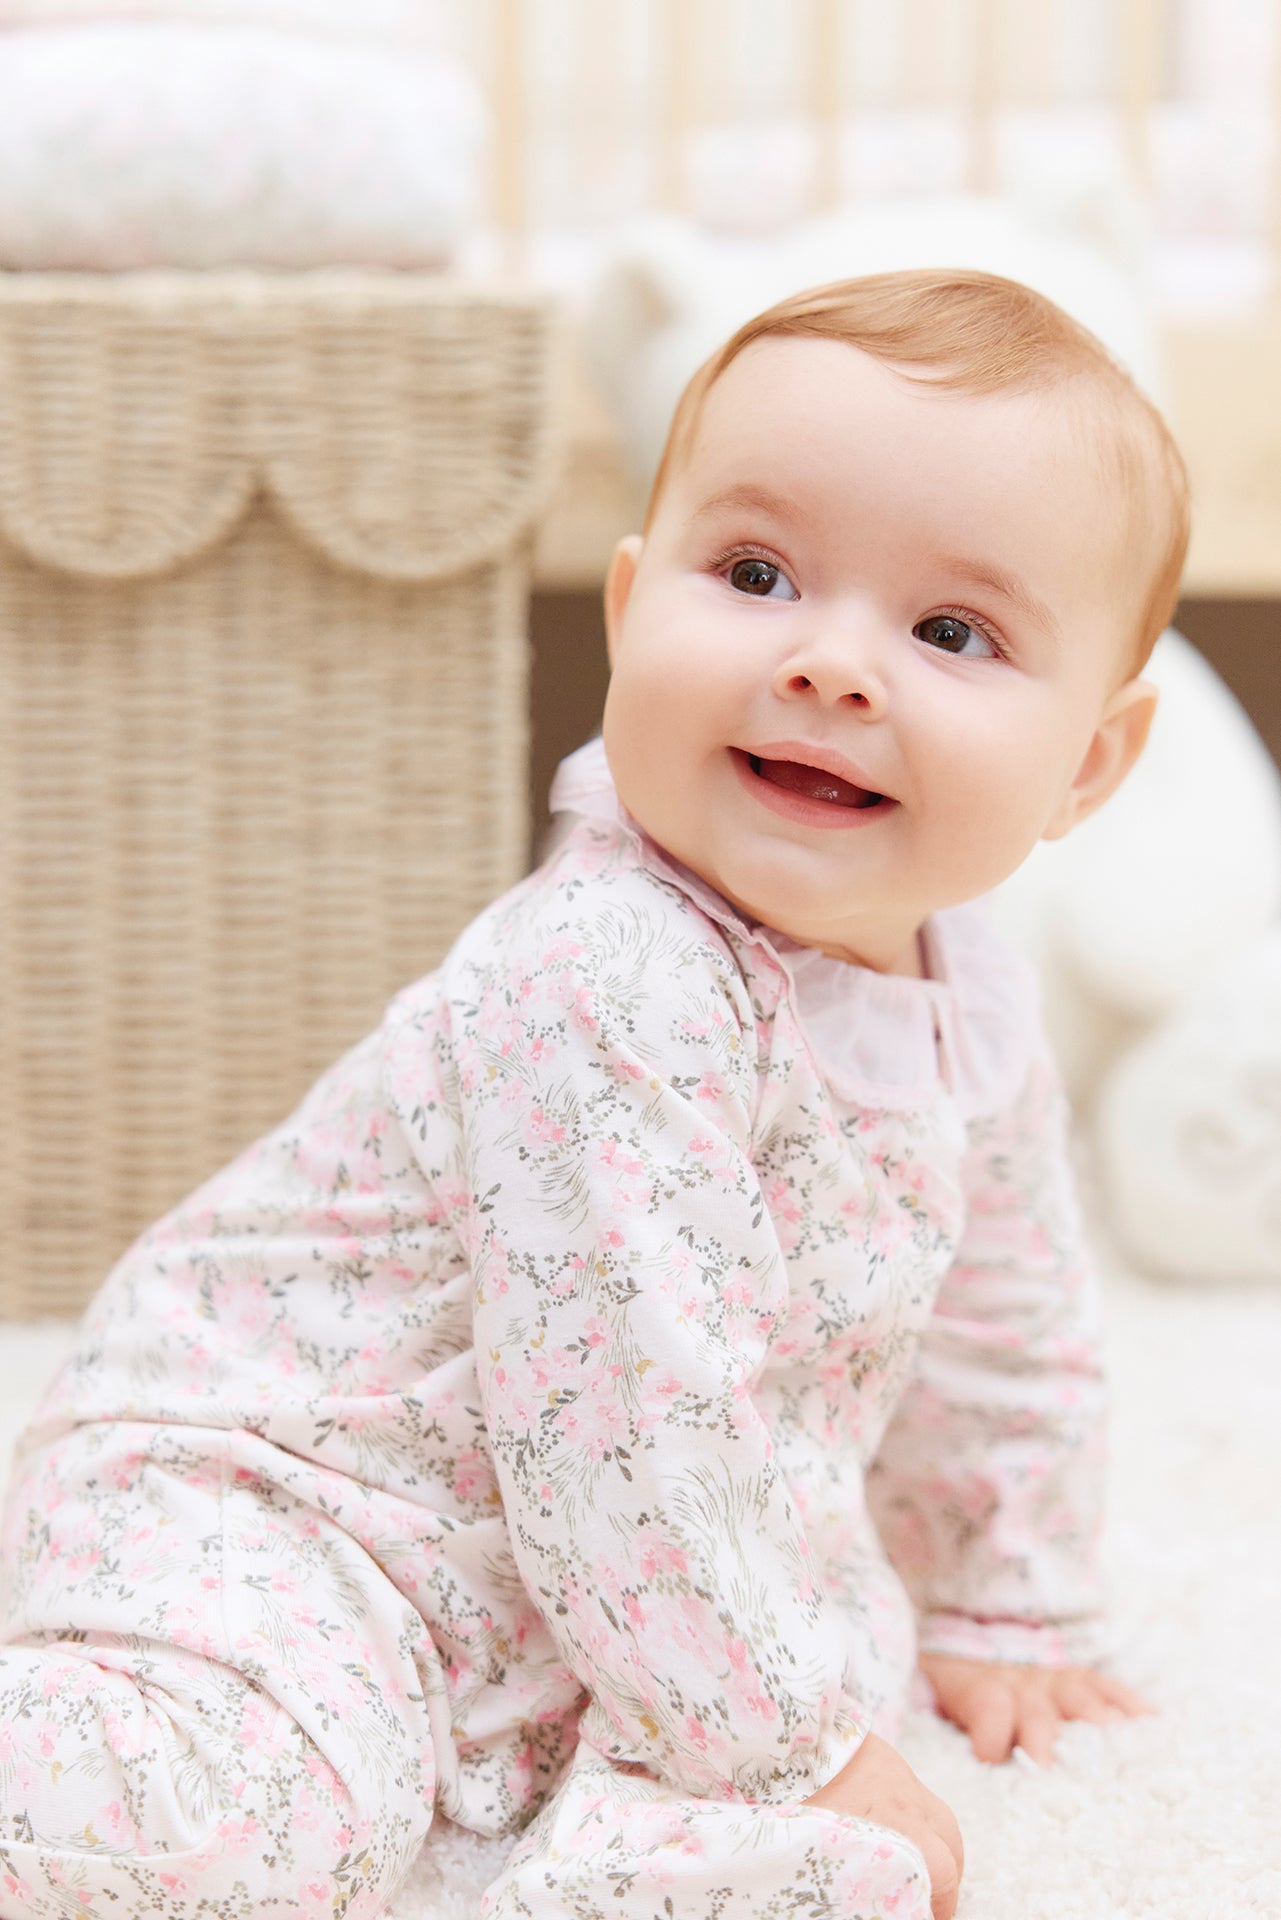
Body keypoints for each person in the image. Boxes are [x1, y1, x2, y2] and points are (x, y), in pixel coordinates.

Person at [0, 267, 1186, 1920]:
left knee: (830, 1806)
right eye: (755, 574)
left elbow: (1012, 1320)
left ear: (1087, 766)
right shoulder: (606, 976)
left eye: (949, 633)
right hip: (288, 1501)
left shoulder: (964, 993)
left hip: (575, 1561)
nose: (831, 666)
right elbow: (625, 1408)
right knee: (249, 1822)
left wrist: (1011, 1597)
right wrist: (782, 1745)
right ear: (632, 610)